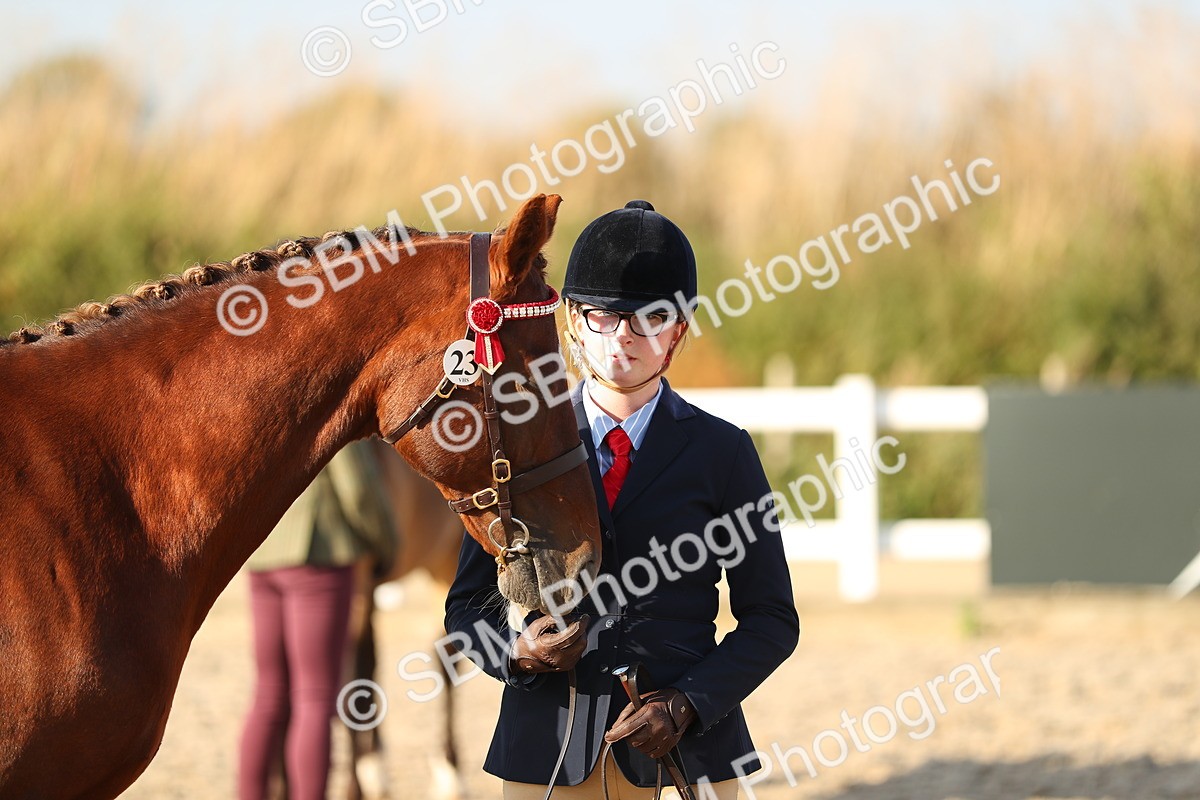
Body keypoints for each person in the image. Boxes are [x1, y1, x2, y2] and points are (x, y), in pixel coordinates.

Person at [444, 200, 800, 799]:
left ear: (679, 329)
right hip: (547, 749)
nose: (624, 338)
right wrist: (518, 652)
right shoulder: (519, 449)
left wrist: (688, 702)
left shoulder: (725, 452)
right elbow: (465, 607)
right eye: (605, 317)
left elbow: (772, 619)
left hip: (688, 753)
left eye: (650, 319)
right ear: (574, 319)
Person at [238, 440, 396, 800]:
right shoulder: (330, 415)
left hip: (263, 554)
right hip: (320, 554)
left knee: (267, 695)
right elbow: (359, 491)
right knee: (315, 697)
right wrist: (387, 544)